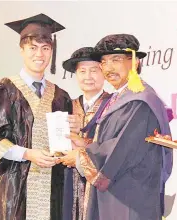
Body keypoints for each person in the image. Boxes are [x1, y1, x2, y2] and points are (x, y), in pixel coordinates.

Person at [0, 13, 79, 220]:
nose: (39, 54)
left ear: (51, 52)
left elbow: (64, 146)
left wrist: (73, 131)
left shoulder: (61, 96)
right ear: (21, 50)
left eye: (45, 48)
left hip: (51, 188)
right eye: (33, 47)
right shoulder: (2, 90)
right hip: (14, 187)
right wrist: (27, 154)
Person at [59, 34, 173, 220]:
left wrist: (80, 156)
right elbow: (115, 141)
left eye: (116, 60)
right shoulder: (121, 97)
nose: (108, 68)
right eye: (104, 62)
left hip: (130, 199)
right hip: (120, 194)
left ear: (134, 62)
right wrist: (85, 143)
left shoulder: (140, 100)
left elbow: (123, 149)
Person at [61, 47, 111, 220]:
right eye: (82, 71)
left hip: (100, 186)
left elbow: (114, 146)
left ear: (104, 72)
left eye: (94, 70)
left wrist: (83, 144)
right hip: (68, 183)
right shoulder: (66, 106)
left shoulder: (115, 106)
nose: (88, 76)